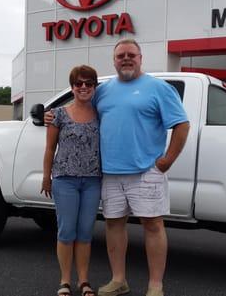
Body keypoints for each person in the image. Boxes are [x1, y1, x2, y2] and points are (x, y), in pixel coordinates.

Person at [46, 39, 190, 296]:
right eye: (120, 55)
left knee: (153, 225)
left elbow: (182, 124)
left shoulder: (159, 88)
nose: (126, 59)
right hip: (109, 173)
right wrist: (51, 114)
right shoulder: (103, 90)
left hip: (146, 170)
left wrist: (167, 160)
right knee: (114, 225)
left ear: (140, 58)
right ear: (114, 60)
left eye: (131, 55)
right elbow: (79, 107)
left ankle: (155, 286)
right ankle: (118, 279)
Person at [41, 65, 102, 296]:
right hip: (64, 180)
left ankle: (84, 281)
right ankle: (65, 281)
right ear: (72, 87)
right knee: (66, 231)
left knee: (85, 232)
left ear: (94, 87)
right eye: (79, 83)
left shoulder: (101, 113)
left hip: (93, 181)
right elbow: (49, 149)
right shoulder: (57, 114)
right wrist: (47, 177)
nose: (84, 87)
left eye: (88, 83)